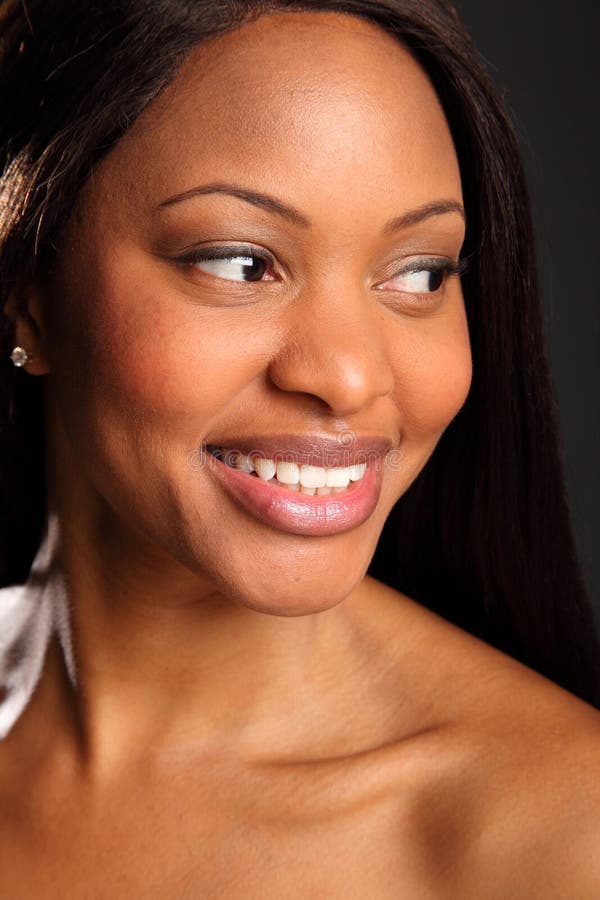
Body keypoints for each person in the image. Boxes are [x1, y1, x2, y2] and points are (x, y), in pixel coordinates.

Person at [0, 0, 599, 894]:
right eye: (241, 262)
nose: (351, 378)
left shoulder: (559, 838)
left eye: (421, 274)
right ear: (27, 296)